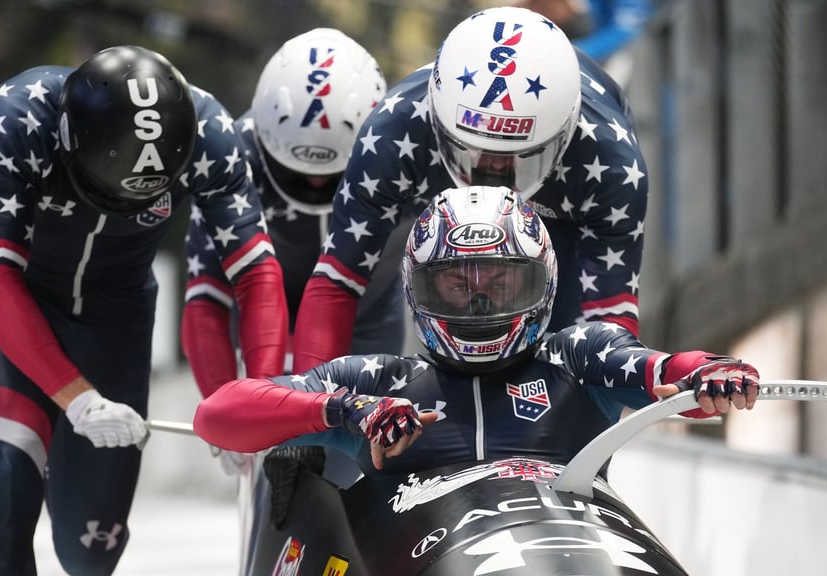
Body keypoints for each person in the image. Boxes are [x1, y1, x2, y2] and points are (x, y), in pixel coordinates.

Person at [0, 45, 287, 575]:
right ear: (68, 140)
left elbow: (256, 271)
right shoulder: (14, 117)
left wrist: (261, 401)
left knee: (91, 549)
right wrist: (78, 399)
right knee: (7, 482)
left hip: (116, 316)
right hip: (18, 299)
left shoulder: (210, 134)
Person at [194, 186, 759, 477]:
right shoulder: (378, 385)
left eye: (503, 283)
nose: (482, 301)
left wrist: (706, 375)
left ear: (543, 283)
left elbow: (661, 373)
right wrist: (346, 411)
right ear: (420, 290)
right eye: (457, 286)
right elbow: (216, 416)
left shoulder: (580, 355)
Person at [290, 6, 649, 374]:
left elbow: (609, 325)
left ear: (563, 134)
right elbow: (337, 281)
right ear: (438, 121)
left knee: (558, 341)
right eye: (474, 151)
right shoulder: (392, 133)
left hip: (561, 215)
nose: (492, 168)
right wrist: (311, 401)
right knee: (413, 295)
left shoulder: (611, 163)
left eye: (516, 157)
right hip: (434, 190)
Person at [181, 29, 395, 479]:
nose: (316, 185)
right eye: (296, 174)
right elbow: (206, 297)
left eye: (330, 175)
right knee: (275, 458)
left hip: (368, 311)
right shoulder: (230, 152)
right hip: (265, 309)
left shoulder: (395, 147)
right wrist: (228, 402)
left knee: (358, 462)